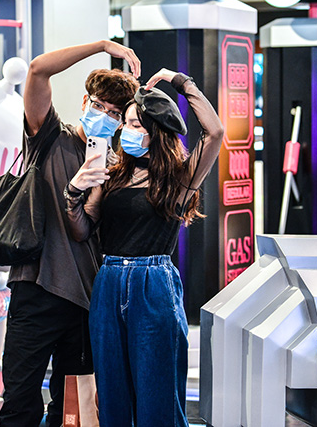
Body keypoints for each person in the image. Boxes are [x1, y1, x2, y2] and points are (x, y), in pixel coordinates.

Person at [65, 68, 223, 426]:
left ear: (157, 132)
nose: (126, 130)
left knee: (158, 392)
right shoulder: (113, 173)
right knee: (112, 393)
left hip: (153, 284)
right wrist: (73, 192)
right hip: (108, 281)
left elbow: (214, 133)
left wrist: (180, 81)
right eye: (127, 123)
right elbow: (82, 230)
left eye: (136, 125)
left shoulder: (178, 178)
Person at [0, 41, 140, 426]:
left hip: (87, 300)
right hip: (37, 286)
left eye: (115, 113)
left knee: (71, 411)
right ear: (84, 102)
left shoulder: (116, 166)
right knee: (19, 403)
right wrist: (103, 45)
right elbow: (38, 70)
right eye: (99, 105)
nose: (104, 116)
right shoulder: (48, 136)